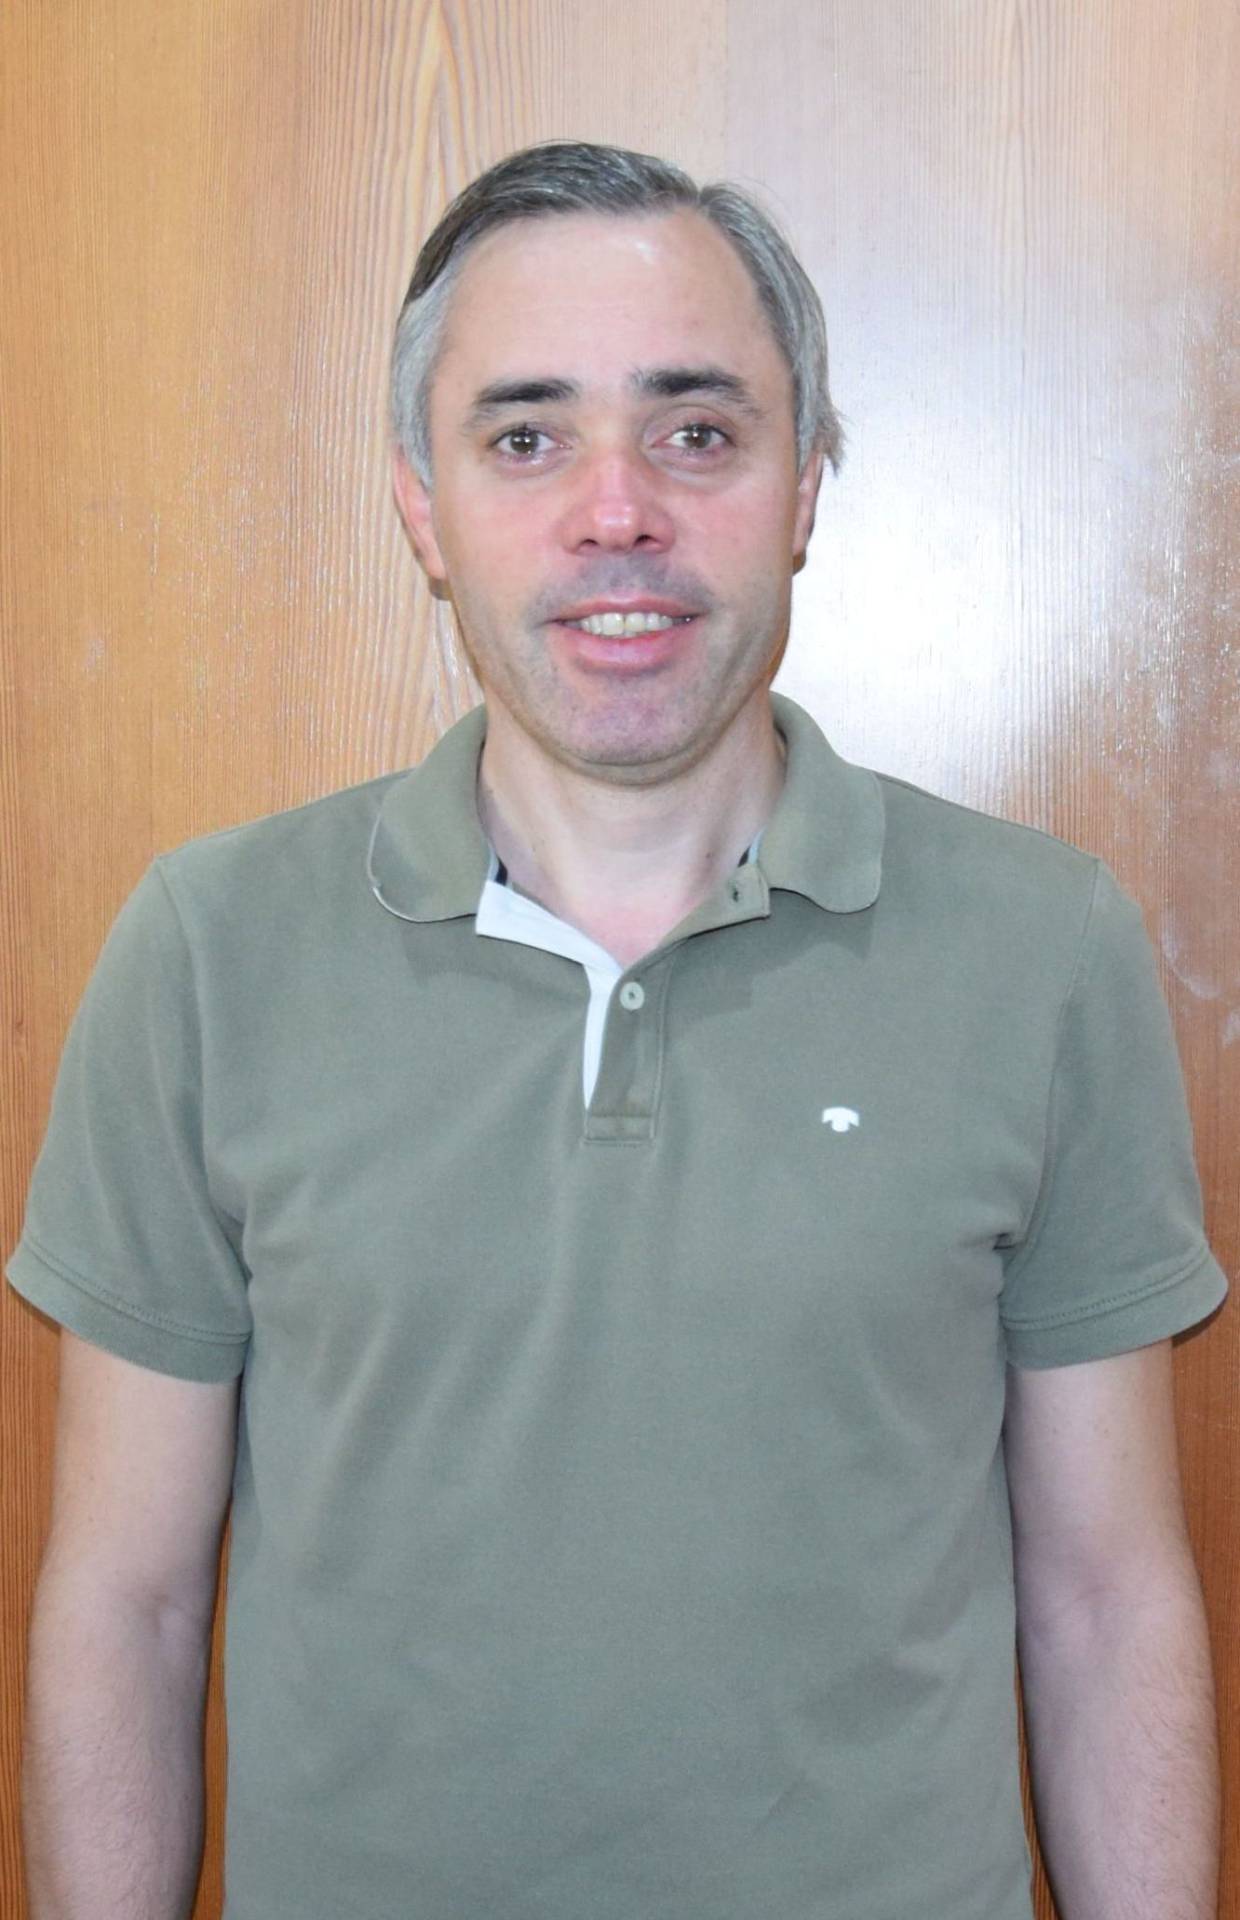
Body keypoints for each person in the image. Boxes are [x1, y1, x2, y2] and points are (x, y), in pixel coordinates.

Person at [8, 139, 1227, 1920]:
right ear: (423, 507)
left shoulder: (1045, 949)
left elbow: (1109, 1598)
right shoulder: (209, 951)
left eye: (697, 431)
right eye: (526, 438)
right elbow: (127, 1604)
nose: (617, 513)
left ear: (804, 485)